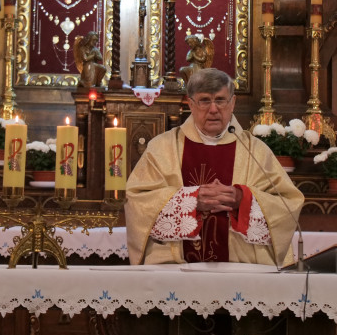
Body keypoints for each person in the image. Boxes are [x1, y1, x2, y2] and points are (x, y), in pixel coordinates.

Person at [125, 68, 304, 266]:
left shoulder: (256, 150)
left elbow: (288, 204)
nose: (213, 109)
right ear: (190, 104)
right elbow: (138, 201)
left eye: (220, 100)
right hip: (175, 271)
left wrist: (242, 200)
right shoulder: (162, 148)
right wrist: (190, 201)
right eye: (204, 100)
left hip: (242, 270)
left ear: (232, 103)